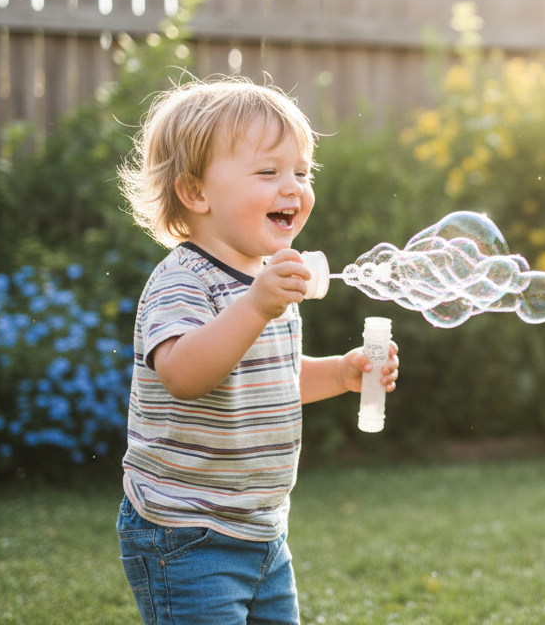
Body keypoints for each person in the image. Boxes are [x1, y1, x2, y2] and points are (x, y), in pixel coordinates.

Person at [114, 77, 399, 624]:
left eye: (301, 172)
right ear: (195, 193)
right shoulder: (182, 281)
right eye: (268, 172)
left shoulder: (266, 283)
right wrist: (256, 307)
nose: (291, 187)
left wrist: (341, 374)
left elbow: (270, 378)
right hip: (186, 533)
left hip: (262, 528)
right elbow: (184, 374)